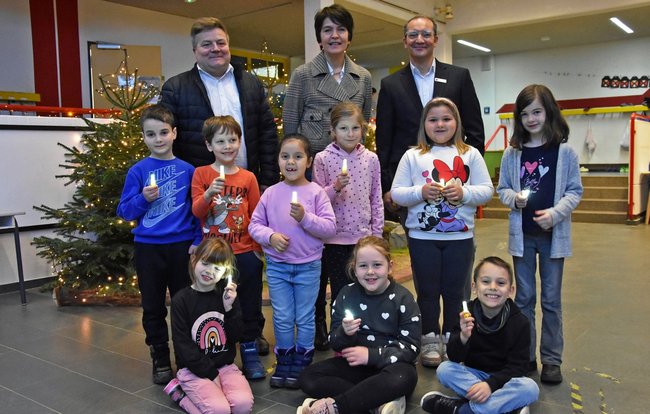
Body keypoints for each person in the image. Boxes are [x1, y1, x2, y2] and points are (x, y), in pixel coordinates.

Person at [390, 98, 493, 369]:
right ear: (424, 124)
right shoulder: (413, 155)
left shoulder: (470, 154)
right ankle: (429, 337)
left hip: (460, 238)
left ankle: (452, 336)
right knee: (427, 291)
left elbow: (486, 190)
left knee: (455, 291)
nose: (440, 124)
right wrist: (420, 191)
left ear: (456, 122)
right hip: (423, 238)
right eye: (433, 119)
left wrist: (464, 192)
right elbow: (397, 192)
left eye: (446, 118)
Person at [496, 84, 583, 384]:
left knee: (551, 300)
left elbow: (574, 191)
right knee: (523, 299)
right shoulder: (512, 153)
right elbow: (503, 189)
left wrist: (555, 214)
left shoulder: (565, 152)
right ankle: (525, 356)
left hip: (552, 239)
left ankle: (552, 359)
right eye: (524, 114)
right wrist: (514, 199)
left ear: (549, 112)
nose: (531, 119)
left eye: (537, 112)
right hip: (522, 238)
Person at [116, 104, 202, 384]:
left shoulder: (188, 170)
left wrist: (198, 240)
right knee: (153, 305)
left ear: (174, 133)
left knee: (183, 304)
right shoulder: (137, 171)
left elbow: (197, 210)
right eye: (151, 134)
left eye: (164, 132)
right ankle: (160, 356)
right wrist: (143, 199)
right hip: (148, 249)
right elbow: (124, 211)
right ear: (143, 137)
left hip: (181, 247)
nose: (158, 139)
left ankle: (186, 356)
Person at [249, 135, 337, 389]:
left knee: (305, 316)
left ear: (308, 161)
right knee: (283, 316)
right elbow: (255, 225)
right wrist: (271, 237)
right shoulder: (271, 193)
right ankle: (285, 359)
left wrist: (305, 218)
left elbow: (329, 228)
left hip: (308, 267)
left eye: (297, 157)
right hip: (278, 267)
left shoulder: (317, 193)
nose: (290, 162)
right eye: (285, 156)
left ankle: (302, 361)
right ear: (278, 160)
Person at [297, 236, 421, 414]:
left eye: (377, 265)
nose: (370, 271)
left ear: (390, 266)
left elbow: (411, 347)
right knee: (308, 377)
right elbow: (335, 342)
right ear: (354, 268)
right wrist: (344, 333)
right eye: (363, 266)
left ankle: (336, 406)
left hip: (391, 367)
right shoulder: (346, 294)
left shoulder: (403, 299)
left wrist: (371, 355)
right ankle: (376, 404)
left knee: (404, 377)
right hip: (356, 368)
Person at [376, 15, 485, 216]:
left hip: (454, 184)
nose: (419, 39)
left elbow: (475, 131)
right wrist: (388, 187)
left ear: (435, 39)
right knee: (415, 235)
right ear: (405, 41)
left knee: (456, 232)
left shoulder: (459, 77)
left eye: (426, 34)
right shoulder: (390, 85)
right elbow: (384, 142)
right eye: (413, 35)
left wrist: (470, 178)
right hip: (409, 185)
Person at [160, 17, 279, 194]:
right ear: (195, 51)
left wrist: (268, 180)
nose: (215, 48)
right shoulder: (175, 88)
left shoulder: (251, 84)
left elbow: (267, 134)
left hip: (247, 186)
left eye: (220, 43)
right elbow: (168, 142)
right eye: (206, 44)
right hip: (199, 191)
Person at [190, 115, 266, 380]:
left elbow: (256, 215)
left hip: (244, 252)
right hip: (213, 255)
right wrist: (209, 194)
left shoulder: (248, 177)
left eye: (232, 140)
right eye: (220, 141)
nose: (227, 146)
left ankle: (249, 350)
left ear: (240, 142)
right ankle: (218, 351)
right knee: (215, 302)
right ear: (209, 145)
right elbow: (197, 211)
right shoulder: (201, 174)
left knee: (249, 303)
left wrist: (256, 250)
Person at [420, 257, 539, 414]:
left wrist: (490, 385)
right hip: (473, 376)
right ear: (474, 287)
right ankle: (501, 406)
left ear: (511, 290)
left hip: (505, 380)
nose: (493, 287)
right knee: (444, 369)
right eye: (486, 281)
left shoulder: (520, 322)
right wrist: (463, 336)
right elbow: (454, 357)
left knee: (530, 388)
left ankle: (463, 409)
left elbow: (519, 367)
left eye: (501, 283)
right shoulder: (466, 314)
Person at [311, 101, 384, 351]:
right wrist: (335, 187)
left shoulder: (371, 159)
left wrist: (377, 235)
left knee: (359, 287)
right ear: (333, 131)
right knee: (337, 288)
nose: (350, 133)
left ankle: (360, 328)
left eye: (355, 128)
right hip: (332, 238)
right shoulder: (322, 159)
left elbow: (376, 198)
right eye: (343, 128)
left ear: (363, 129)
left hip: (361, 238)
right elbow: (316, 200)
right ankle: (329, 329)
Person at [163, 238, 254, 414]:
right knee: (220, 410)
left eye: (217, 268)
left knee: (242, 406)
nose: (209, 271)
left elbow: (236, 336)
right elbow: (183, 346)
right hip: (193, 369)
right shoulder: (181, 300)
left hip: (224, 366)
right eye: (205, 263)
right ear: (194, 260)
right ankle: (180, 395)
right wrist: (211, 374)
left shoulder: (227, 296)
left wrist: (229, 309)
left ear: (225, 272)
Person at [282, 4, 372, 157]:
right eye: (327, 30)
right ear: (319, 38)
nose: (335, 35)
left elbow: (363, 126)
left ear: (349, 37)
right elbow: (290, 132)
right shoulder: (302, 75)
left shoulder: (364, 77)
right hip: (312, 165)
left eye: (341, 29)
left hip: (351, 162)